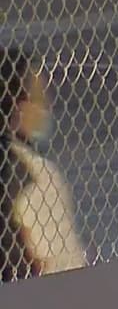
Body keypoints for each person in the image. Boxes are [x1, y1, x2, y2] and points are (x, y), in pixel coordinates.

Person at [0, 47, 87, 281]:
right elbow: (67, 269)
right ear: (16, 108)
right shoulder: (38, 177)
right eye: (36, 99)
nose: (46, 106)